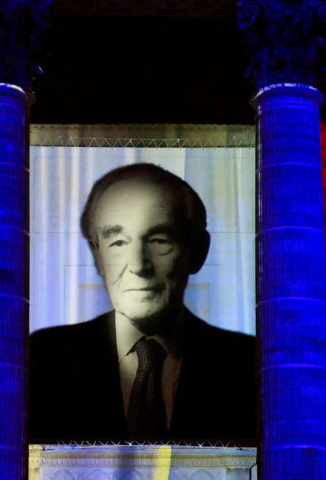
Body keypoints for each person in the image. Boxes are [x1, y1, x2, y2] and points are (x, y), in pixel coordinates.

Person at [28, 163, 257, 445]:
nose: (138, 265)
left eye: (159, 240)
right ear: (98, 257)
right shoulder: (42, 361)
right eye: (118, 243)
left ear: (197, 251)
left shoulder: (250, 367)